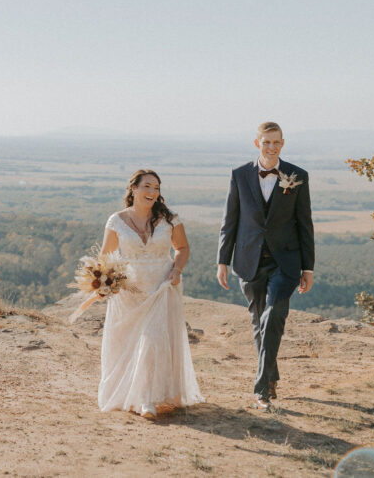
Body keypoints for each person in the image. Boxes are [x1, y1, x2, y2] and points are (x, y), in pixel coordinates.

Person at [217, 121, 315, 410]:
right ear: (256, 143)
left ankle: (261, 388)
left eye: (277, 142)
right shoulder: (239, 175)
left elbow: (304, 224)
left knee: (273, 316)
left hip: (285, 262)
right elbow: (230, 221)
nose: (272, 147)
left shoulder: (298, 176)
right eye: (266, 142)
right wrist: (222, 259)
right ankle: (271, 376)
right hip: (249, 260)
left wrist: (307, 267)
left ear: (282, 144)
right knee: (258, 322)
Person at [98, 169, 204, 419]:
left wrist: (177, 269)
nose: (152, 192)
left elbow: (182, 247)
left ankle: (147, 399)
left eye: (156, 188)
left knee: (154, 340)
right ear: (133, 188)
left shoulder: (170, 219)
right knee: (129, 342)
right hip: (130, 292)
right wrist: (104, 283)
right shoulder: (116, 220)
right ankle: (130, 394)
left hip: (162, 286)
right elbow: (106, 256)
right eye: (147, 186)